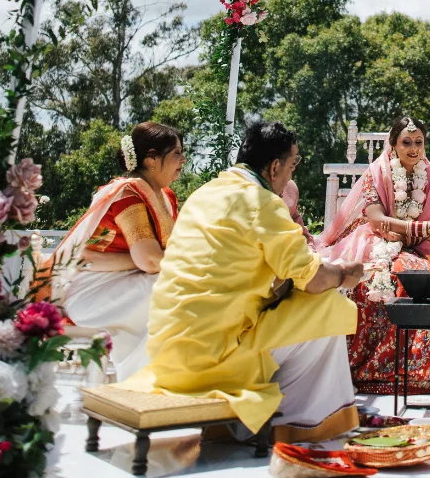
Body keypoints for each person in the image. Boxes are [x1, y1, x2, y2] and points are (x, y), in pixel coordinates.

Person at [119, 122, 365, 443]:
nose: (291, 176)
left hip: (165, 354)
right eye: (292, 166)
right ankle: (297, 424)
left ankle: (235, 423)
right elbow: (316, 279)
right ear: (275, 167)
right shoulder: (262, 203)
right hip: (213, 359)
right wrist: (347, 273)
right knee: (331, 306)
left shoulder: (204, 193)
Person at [316, 117, 430, 394]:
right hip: (376, 242)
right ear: (393, 146)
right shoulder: (376, 174)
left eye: (419, 142)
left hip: (418, 248)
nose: (414, 148)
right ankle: (371, 368)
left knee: (421, 276)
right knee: (375, 279)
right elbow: (376, 220)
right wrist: (419, 227)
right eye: (406, 142)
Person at [44, 121, 184, 381]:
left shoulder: (166, 196)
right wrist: (141, 263)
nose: (183, 159)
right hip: (92, 294)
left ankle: (159, 375)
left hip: (128, 284)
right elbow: (151, 260)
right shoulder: (126, 193)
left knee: (174, 283)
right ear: (152, 158)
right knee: (172, 285)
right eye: (176, 152)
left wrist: (101, 261)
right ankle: (143, 379)